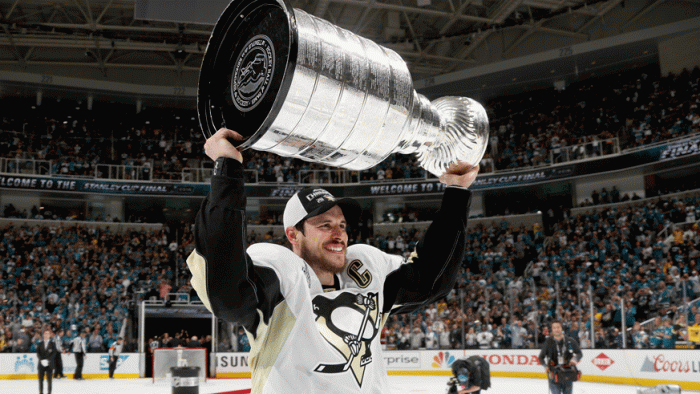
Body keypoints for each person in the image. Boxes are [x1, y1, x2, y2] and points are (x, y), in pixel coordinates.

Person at [187, 128, 479, 393]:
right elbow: (226, 292)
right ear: (293, 234)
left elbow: (431, 279)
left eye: (341, 224)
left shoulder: (365, 270)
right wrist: (227, 172)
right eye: (324, 225)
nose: (338, 234)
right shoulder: (280, 277)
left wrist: (456, 191)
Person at [538, 321, 583, 394]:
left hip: (568, 374)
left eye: (558, 327)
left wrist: (575, 359)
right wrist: (545, 366)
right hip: (554, 374)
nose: (556, 329)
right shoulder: (548, 342)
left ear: (561, 328)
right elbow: (541, 357)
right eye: (554, 328)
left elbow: (579, 353)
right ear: (552, 330)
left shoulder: (570, 340)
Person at [37, 328, 57, 394]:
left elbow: (54, 353)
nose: (46, 335)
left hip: (49, 365)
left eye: (48, 333)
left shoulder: (53, 344)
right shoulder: (40, 344)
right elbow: (38, 353)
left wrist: (48, 360)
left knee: (49, 381)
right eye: (45, 333)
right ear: (43, 335)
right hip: (41, 365)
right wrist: (42, 360)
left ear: (50, 335)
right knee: (40, 381)